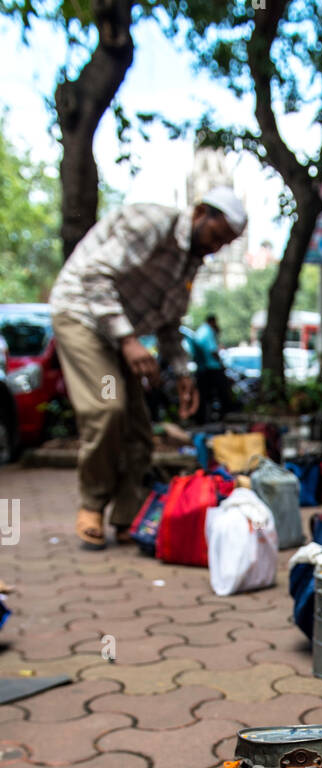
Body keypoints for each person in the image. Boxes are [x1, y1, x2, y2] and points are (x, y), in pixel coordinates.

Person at [50, 186, 246, 548]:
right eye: (217, 236)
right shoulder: (152, 223)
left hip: (122, 338)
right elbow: (94, 277)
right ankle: (93, 503)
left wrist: (184, 374)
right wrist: (127, 340)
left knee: (139, 428)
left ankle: (128, 516)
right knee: (107, 406)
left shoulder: (190, 262)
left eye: (224, 244)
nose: (216, 247)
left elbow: (169, 324)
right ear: (201, 212)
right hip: (86, 322)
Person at [194, 314, 232, 422]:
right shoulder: (208, 331)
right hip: (212, 368)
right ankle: (225, 415)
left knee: (203, 395)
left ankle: (202, 418)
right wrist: (221, 363)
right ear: (213, 321)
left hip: (202, 369)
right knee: (223, 392)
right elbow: (212, 350)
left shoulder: (200, 331)